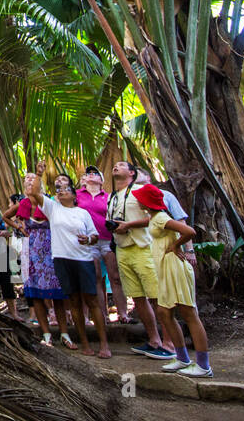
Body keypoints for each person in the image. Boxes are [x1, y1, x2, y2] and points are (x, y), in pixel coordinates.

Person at [133, 183, 213, 377]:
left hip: (174, 267)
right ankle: (182, 358)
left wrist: (177, 245)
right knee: (163, 312)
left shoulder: (160, 217)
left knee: (188, 312)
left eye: (139, 198)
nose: (136, 200)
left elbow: (189, 231)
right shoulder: (153, 217)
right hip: (165, 268)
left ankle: (203, 365)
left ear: (146, 202)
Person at [106, 161, 175, 360]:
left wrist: (129, 224)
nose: (115, 166)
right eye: (115, 165)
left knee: (156, 297)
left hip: (143, 248)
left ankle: (169, 343)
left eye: (121, 165)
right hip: (122, 249)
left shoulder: (140, 191)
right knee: (137, 298)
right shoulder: (112, 196)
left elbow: (158, 215)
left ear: (132, 173)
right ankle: (154, 340)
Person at [42, 180, 112, 358]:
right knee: (73, 301)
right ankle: (85, 343)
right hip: (62, 259)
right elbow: (34, 192)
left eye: (66, 189)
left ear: (74, 196)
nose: (62, 191)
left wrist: (88, 240)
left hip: (83, 258)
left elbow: (94, 236)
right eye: (59, 190)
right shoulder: (52, 208)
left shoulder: (83, 213)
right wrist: (40, 173)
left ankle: (104, 343)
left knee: (91, 300)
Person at [9, 172, 69, 346]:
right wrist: (19, 227)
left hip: (51, 248)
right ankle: (46, 334)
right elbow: (7, 215)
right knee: (35, 292)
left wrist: (40, 173)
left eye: (32, 181)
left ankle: (64, 333)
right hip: (31, 250)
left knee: (57, 292)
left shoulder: (50, 202)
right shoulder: (23, 204)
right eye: (26, 182)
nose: (29, 184)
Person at [76, 166, 129, 323]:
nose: (91, 175)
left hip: (107, 239)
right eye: (88, 173)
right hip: (88, 241)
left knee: (115, 276)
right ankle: (102, 315)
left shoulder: (109, 197)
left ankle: (123, 313)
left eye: (95, 173)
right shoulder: (77, 195)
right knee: (97, 277)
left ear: (101, 180)